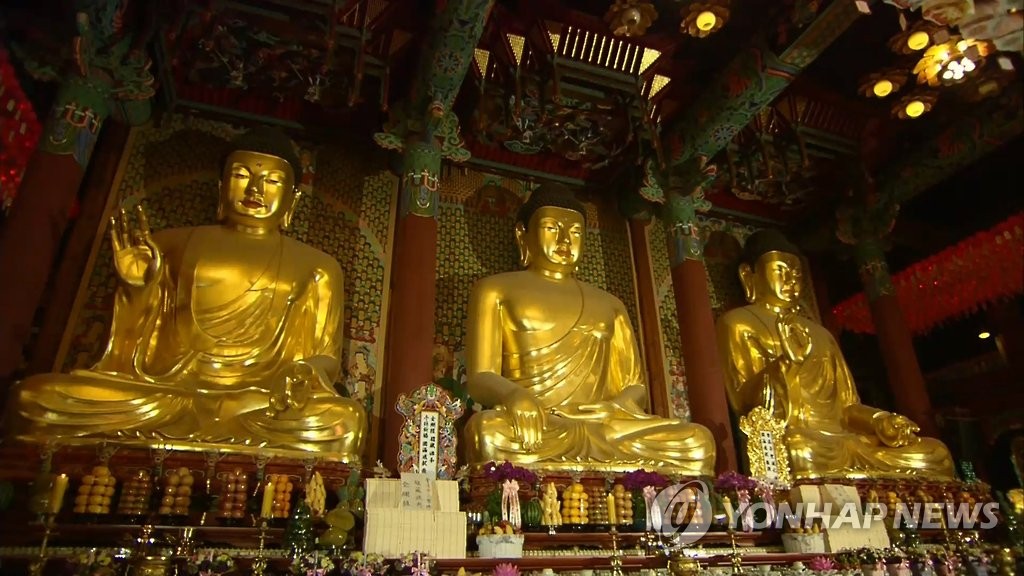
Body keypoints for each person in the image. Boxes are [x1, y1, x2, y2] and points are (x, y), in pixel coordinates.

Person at [4, 127, 366, 461]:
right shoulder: (167, 246)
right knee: (33, 398)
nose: (255, 190)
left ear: (292, 199)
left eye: (271, 181)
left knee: (344, 422)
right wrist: (139, 288)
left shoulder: (318, 266)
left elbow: (325, 357)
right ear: (221, 187)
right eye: (241, 176)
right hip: (165, 394)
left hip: (255, 402)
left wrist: (304, 371)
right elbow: (130, 351)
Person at [462, 184, 715, 474]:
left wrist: (616, 407)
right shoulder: (494, 289)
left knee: (698, 441)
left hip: (606, 426)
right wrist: (513, 396)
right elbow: (480, 377)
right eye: (551, 228)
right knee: (486, 433)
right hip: (541, 425)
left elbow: (635, 387)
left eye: (575, 232)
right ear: (523, 235)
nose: (564, 240)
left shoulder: (611, 304)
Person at [715, 229, 954, 479]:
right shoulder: (737, 324)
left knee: (936, 452)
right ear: (748, 275)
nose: (791, 280)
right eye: (780, 270)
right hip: (801, 440)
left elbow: (848, 407)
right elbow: (746, 404)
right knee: (798, 450)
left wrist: (880, 420)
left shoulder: (822, 334)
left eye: (797, 273)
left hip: (845, 442)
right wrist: (787, 363)